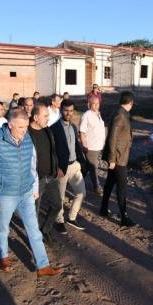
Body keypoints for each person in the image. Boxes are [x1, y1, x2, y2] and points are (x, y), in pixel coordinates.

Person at [0, 108, 63, 277]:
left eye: (26, 127)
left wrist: (34, 188)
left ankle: (43, 266)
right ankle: (3, 256)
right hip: (4, 194)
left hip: (26, 192)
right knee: (2, 228)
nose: (24, 131)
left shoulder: (27, 139)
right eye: (20, 127)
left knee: (34, 229)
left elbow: (32, 165)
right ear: (10, 125)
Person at [28, 103, 63, 245]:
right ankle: (35, 240)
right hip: (36, 180)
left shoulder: (48, 130)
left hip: (51, 176)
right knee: (34, 212)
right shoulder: (26, 133)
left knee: (57, 205)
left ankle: (45, 230)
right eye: (45, 116)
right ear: (36, 117)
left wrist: (56, 167)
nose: (48, 118)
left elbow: (52, 151)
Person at [100, 91, 136, 227]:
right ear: (131, 103)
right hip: (118, 158)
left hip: (119, 156)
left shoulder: (120, 112)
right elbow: (112, 137)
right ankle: (124, 217)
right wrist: (112, 159)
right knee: (122, 187)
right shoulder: (120, 115)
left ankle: (103, 208)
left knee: (110, 182)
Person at [50, 99, 87, 233]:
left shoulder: (73, 127)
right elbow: (51, 151)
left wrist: (80, 161)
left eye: (71, 111)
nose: (69, 113)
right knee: (60, 197)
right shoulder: (54, 128)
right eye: (66, 110)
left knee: (81, 193)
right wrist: (57, 167)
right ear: (61, 110)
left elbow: (76, 145)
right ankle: (59, 220)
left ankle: (71, 218)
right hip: (62, 168)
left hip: (74, 165)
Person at [79, 94, 106, 195]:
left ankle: (75, 179)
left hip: (98, 146)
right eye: (94, 104)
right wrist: (84, 145)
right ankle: (97, 187)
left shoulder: (98, 114)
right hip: (90, 147)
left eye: (97, 104)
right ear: (89, 104)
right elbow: (82, 132)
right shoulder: (87, 115)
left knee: (87, 167)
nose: (96, 105)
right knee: (94, 167)